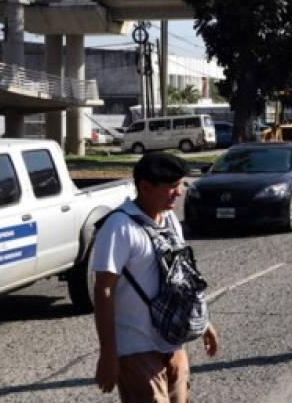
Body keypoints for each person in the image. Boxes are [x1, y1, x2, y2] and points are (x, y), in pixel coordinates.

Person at [92, 152, 218, 402]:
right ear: (145, 187)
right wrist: (108, 354)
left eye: (181, 184)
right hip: (135, 347)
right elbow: (103, 290)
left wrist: (204, 323)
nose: (179, 192)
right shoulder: (119, 227)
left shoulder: (170, 219)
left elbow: (185, 277)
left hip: (172, 340)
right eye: (172, 187)